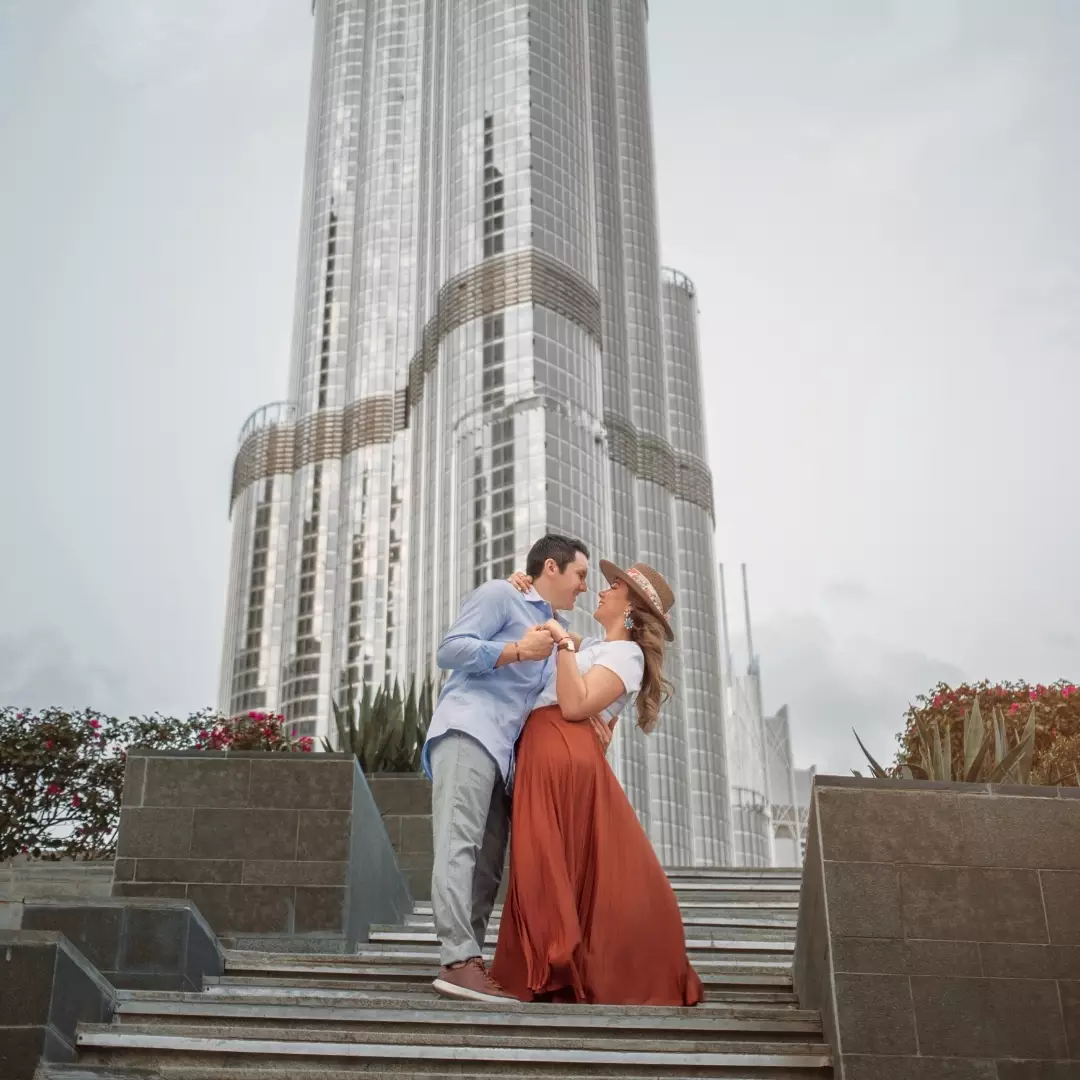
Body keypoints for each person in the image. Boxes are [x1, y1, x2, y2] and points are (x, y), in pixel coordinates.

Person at [490, 559, 704, 1007]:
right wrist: (519, 587)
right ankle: (550, 965)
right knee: (546, 859)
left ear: (631, 609)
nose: (602, 591)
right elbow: (544, 628)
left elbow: (573, 704)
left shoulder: (626, 654)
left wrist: (564, 643)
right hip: (547, 748)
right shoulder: (596, 646)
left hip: (560, 750)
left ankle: (553, 965)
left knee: (547, 857)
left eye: (614, 587)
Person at [421, 533, 590, 1004]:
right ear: (551, 568)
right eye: (579, 574)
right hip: (468, 731)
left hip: (506, 756)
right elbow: (450, 651)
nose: (583, 586)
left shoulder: (557, 627)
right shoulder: (501, 594)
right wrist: (517, 650)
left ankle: (466, 960)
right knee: (459, 845)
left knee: (488, 865)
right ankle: (458, 960)